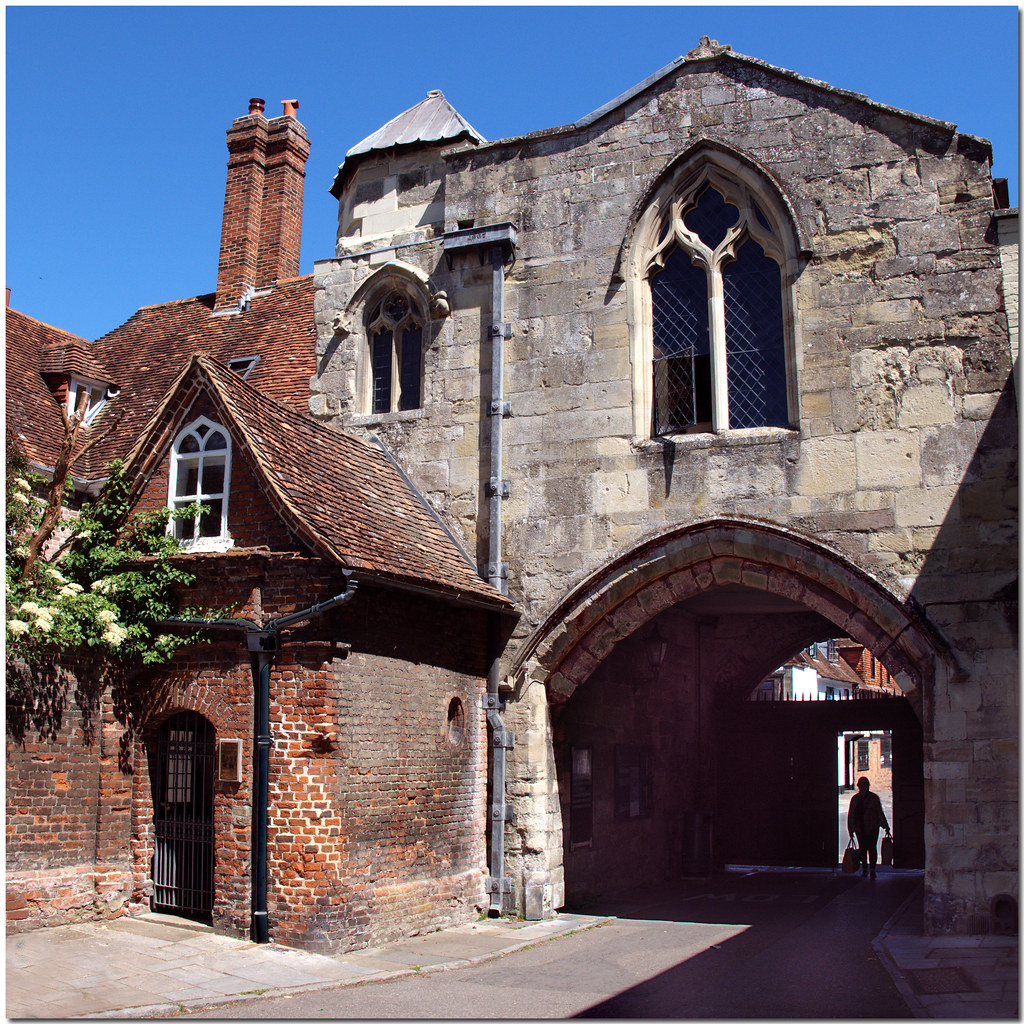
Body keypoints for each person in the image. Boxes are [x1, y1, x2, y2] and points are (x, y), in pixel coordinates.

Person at [847, 776, 891, 879]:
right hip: (860, 828)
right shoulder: (855, 799)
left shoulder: (873, 798)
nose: (864, 787)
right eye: (862, 785)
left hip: (872, 828)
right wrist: (851, 829)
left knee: (872, 849)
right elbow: (851, 815)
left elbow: (879, 812)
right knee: (863, 849)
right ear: (859, 786)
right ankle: (865, 868)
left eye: (865, 785)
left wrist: (885, 826)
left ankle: (872, 869)